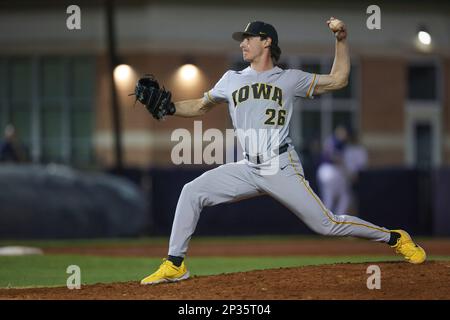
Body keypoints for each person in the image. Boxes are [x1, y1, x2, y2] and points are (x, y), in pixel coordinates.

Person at [140, 18, 426, 285]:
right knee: (192, 191)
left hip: (280, 164)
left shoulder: (291, 79)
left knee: (327, 225)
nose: (242, 44)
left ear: (266, 42)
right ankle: (175, 263)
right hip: (248, 167)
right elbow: (201, 105)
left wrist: (341, 40)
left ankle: (394, 238)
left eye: (248, 38)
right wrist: (170, 107)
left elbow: (339, 79)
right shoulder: (231, 79)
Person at [316, 125, 350, 215]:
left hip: (327, 170)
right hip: (330, 170)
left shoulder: (336, 141)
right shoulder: (334, 141)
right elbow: (333, 157)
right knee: (331, 198)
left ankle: (332, 220)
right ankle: (331, 221)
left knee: (342, 196)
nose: (344, 135)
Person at [342, 131, 369, 215]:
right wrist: (350, 176)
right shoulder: (348, 149)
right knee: (348, 201)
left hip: (360, 178)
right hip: (349, 179)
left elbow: (363, 164)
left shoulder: (361, 149)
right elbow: (346, 165)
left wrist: (357, 175)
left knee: (359, 201)